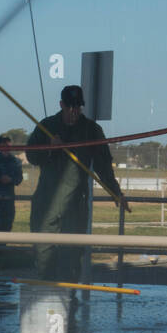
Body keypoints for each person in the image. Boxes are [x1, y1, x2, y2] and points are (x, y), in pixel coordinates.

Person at [27, 86, 129, 283]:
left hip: (75, 204)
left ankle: (69, 301)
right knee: (43, 252)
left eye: (78, 107)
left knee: (71, 255)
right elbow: (31, 156)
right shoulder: (47, 126)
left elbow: (103, 166)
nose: (74, 112)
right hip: (46, 202)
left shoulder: (91, 130)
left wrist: (116, 192)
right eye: (70, 107)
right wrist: (49, 147)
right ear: (61, 105)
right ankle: (46, 293)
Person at [0, 134, 24, 232]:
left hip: (9, 198)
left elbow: (19, 179)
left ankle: (3, 247)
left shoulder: (16, 161)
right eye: (4, 143)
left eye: (8, 142)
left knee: (7, 226)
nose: (6, 145)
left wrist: (11, 179)